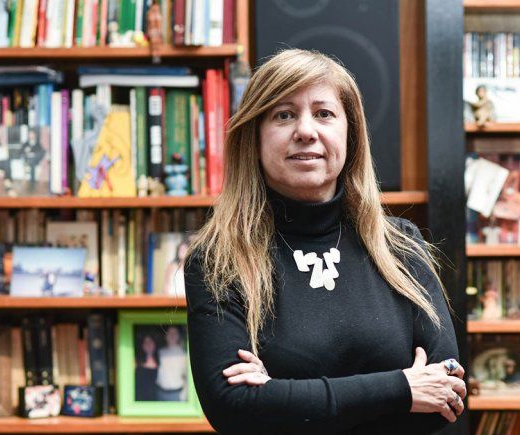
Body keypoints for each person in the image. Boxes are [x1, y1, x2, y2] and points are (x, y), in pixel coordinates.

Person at [184, 48, 465, 434]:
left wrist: (280, 395)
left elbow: (447, 393)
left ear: (350, 134)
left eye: (324, 113)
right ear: (255, 137)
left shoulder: (402, 245)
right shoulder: (219, 259)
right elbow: (233, 408)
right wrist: (403, 388)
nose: (305, 131)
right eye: (283, 115)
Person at [155, 326, 187, 401]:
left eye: (174, 333)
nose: (172, 335)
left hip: (176, 394)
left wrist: (184, 394)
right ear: (166, 336)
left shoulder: (184, 354)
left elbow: (187, 376)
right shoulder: (160, 352)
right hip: (160, 392)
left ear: (178, 336)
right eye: (169, 333)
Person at [135, 334, 159, 401]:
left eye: (150, 341)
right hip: (139, 398)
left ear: (154, 344)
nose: (148, 344)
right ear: (142, 346)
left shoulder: (161, 360)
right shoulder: (136, 361)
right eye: (146, 342)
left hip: (156, 398)